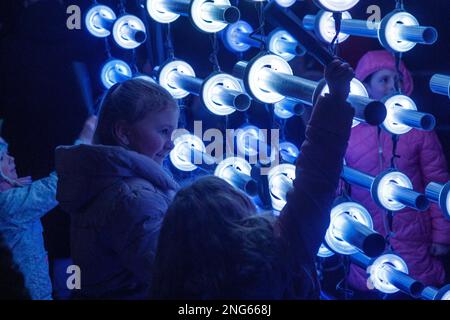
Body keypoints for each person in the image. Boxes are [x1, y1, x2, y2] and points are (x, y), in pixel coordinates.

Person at [150, 59, 355, 299]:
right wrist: (336, 99)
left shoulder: (174, 286)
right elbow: (315, 183)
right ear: (239, 219)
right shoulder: (278, 259)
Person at [55, 79, 179, 299]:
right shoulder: (133, 199)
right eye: (163, 131)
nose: (171, 144)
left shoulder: (99, 181)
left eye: (172, 133)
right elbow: (172, 277)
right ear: (123, 133)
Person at [344, 50, 450, 297]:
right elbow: (339, 186)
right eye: (384, 80)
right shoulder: (350, 132)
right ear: (366, 86)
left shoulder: (417, 128)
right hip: (366, 236)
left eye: (398, 80)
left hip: (415, 239)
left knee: (414, 288)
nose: (393, 86)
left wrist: (443, 234)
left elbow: (437, 181)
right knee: (370, 288)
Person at [0, 116, 96, 300]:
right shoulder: (7, 205)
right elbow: (57, 184)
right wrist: (84, 141)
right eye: (3, 158)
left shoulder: (12, 200)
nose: (11, 159)